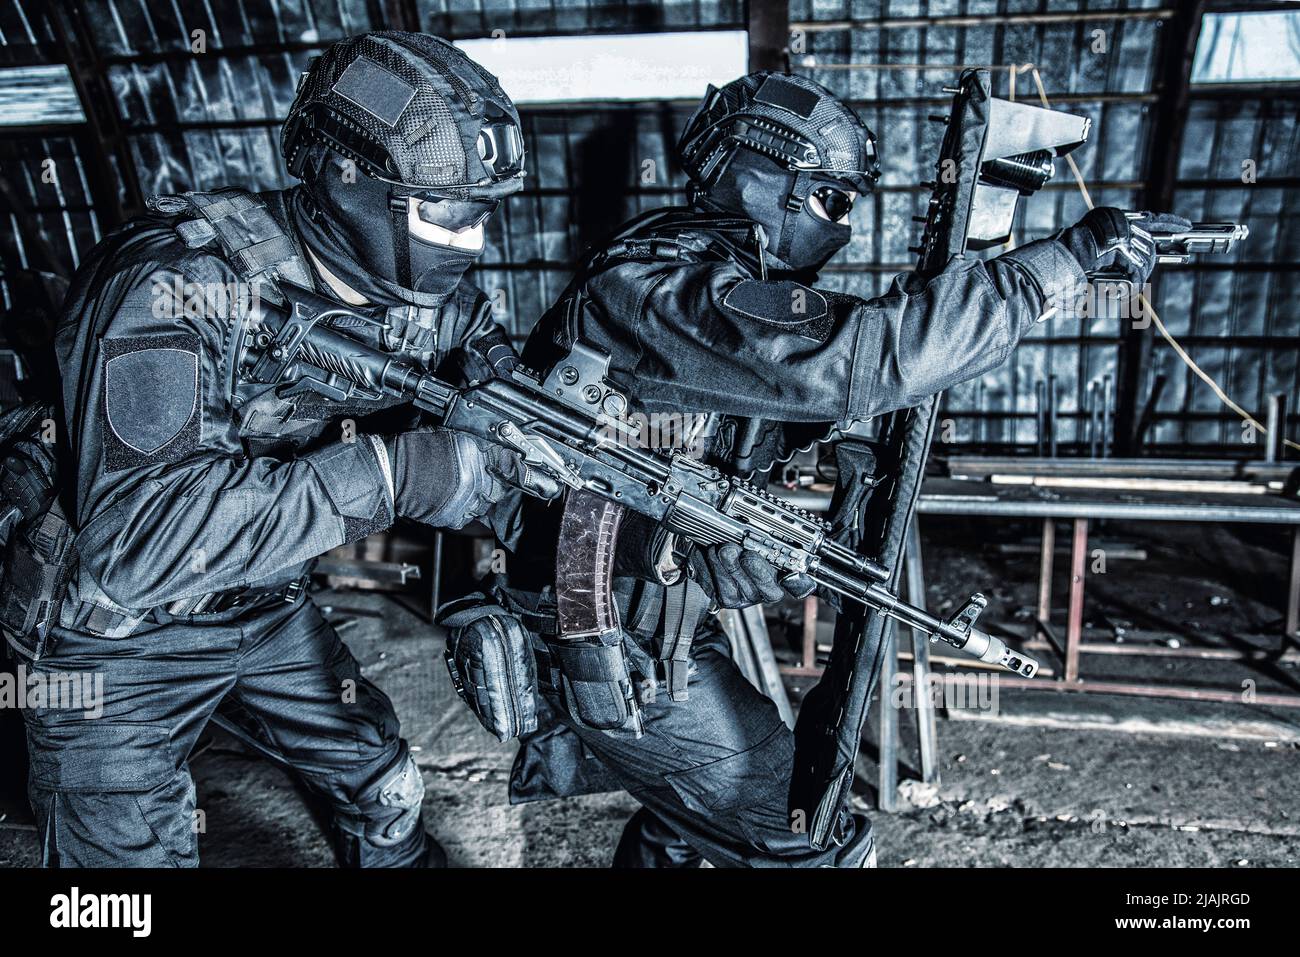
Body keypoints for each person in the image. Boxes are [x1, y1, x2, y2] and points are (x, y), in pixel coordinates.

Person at [464, 71, 1186, 867]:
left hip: (652, 622)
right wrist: (1056, 267)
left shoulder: (719, 284)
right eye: (831, 201)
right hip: (595, 635)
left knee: (686, 822)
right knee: (814, 836)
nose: (840, 228)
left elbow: (828, 398)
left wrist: (731, 535)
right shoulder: (657, 287)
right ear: (759, 177)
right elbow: (863, 362)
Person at [1, 31, 550, 867]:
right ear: (349, 177)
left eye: (482, 216)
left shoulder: (417, 294)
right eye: (446, 214)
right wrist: (397, 473)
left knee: (387, 789)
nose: (471, 245)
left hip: (262, 603)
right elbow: (134, 546)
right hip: (117, 636)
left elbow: (486, 378)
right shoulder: (175, 283)